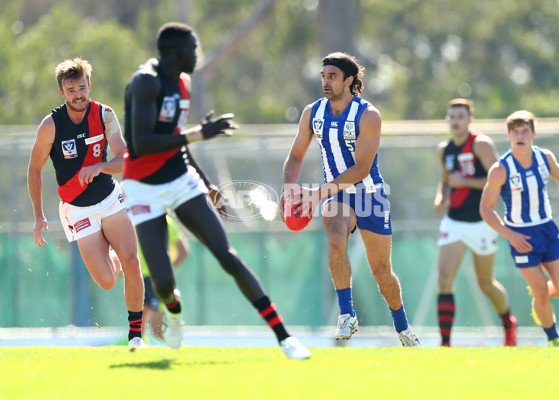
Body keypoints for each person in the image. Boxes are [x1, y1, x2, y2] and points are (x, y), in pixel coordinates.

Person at [121, 22, 310, 360]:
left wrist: (207, 185)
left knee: (227, 255)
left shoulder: (184, 82)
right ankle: (175, 311)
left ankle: (284, 337)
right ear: (177, 51)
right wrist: (199, 133)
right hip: (143, 188)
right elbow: (142, 143)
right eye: (193, 48)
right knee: (162, 284)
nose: (198, 54)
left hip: (181, 180)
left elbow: (177, 142)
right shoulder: (145, 82)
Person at [281, 52, 420, 346]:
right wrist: (288, 189)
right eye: (323, 76)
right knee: (335, 238)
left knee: (382, 273)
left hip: (371, 194)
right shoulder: (312, 112)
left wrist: (317, 193)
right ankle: (347, 313)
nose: (326, 82)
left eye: (332, 76)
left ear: (350, 80)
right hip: (337, 194)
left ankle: (403, 328)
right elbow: (295, 156)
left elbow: (362, 168)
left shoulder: (368, 115)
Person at [27, 58, 146, 349]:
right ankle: (112, 258)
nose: (78, 94)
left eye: (82, 87)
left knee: (133, 263)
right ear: (62, 93)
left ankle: (136, 337)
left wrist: (99, 167)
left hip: (109, 199)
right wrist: (39, 216)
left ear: (89, 86)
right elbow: (34, 169)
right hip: (77, 209)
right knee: (106, 281)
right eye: (71, 90)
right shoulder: (51, 126)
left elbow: (125, 160)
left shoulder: (104, 115)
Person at [480, 110, 559, 347]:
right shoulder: (500, 169)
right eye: (515, 132)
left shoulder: (545, 158)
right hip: (521, 235)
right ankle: (553, 338)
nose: (520, 136)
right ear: (509, 136)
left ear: (533, 134)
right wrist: (510, 234)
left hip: (547, 229)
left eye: (525, 131)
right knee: (542, 294)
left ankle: (538, 295)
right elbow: (485, 208)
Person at [433, 98, 517, 347]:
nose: (455, 121)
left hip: (482, 222)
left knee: (486, 284)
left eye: (460, 116)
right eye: (451, 116)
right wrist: (440, 198)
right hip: (454, 222)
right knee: (444, 278)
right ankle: (445, 343)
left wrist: (467, 182)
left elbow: (498, 180)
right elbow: (446, 181)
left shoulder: (481, 144)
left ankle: (508, 323)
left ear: (470, 120)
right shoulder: (443, 150)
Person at [141, 215, 189, 341]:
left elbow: (183, 250)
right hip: (138, 277)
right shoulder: (135, 220)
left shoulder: (167, 222)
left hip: (156, 278)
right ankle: (140, 351)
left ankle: (173, 305)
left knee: (154, 329)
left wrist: (165, 273)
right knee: (141, 327)